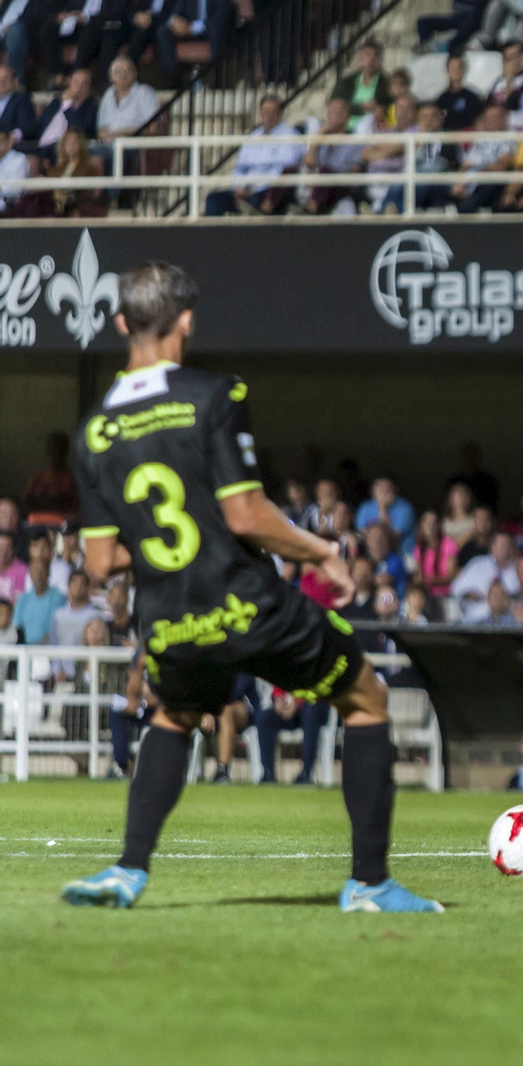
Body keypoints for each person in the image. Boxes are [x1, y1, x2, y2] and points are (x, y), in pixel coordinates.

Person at [59, 262, 440, 913]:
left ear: (121, 323)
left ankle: (127, 871)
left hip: (170, 618)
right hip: (245, 603)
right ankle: (371, 885)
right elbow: (246, 515)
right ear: (186, 321)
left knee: (174, 716)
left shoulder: (92, 432)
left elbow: (99, 563)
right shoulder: (215, 394)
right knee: (366, 698)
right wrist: (323, 552)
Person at [203, 95, 300, 216]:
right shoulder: (254, 136)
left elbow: (285, 170)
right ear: (260, 113)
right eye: (265, 111)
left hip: (268, 191)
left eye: (273, 112)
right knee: (214, 199)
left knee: (254, 201)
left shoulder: (290, 136)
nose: (269, 115)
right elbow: (240, 167)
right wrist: (240, 188)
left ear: (280, 113)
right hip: (246, 190)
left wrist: (252, 189)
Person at [331, 40, 391, 129]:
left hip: (372, 128)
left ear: (380, 60)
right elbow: (334, 106)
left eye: (376, 55)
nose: (371, 60)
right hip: (344, 128)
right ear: (361, 58)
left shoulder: (387, 84)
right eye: (367, 55)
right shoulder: (346, 82)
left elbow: (389, 108)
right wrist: (362, 108)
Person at [435, 53, 485, 132]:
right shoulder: (442, 99)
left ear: (464, 70)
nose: (457, 71)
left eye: (460, 67)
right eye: (453, 68)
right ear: (448, 71)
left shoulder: (473, 98)